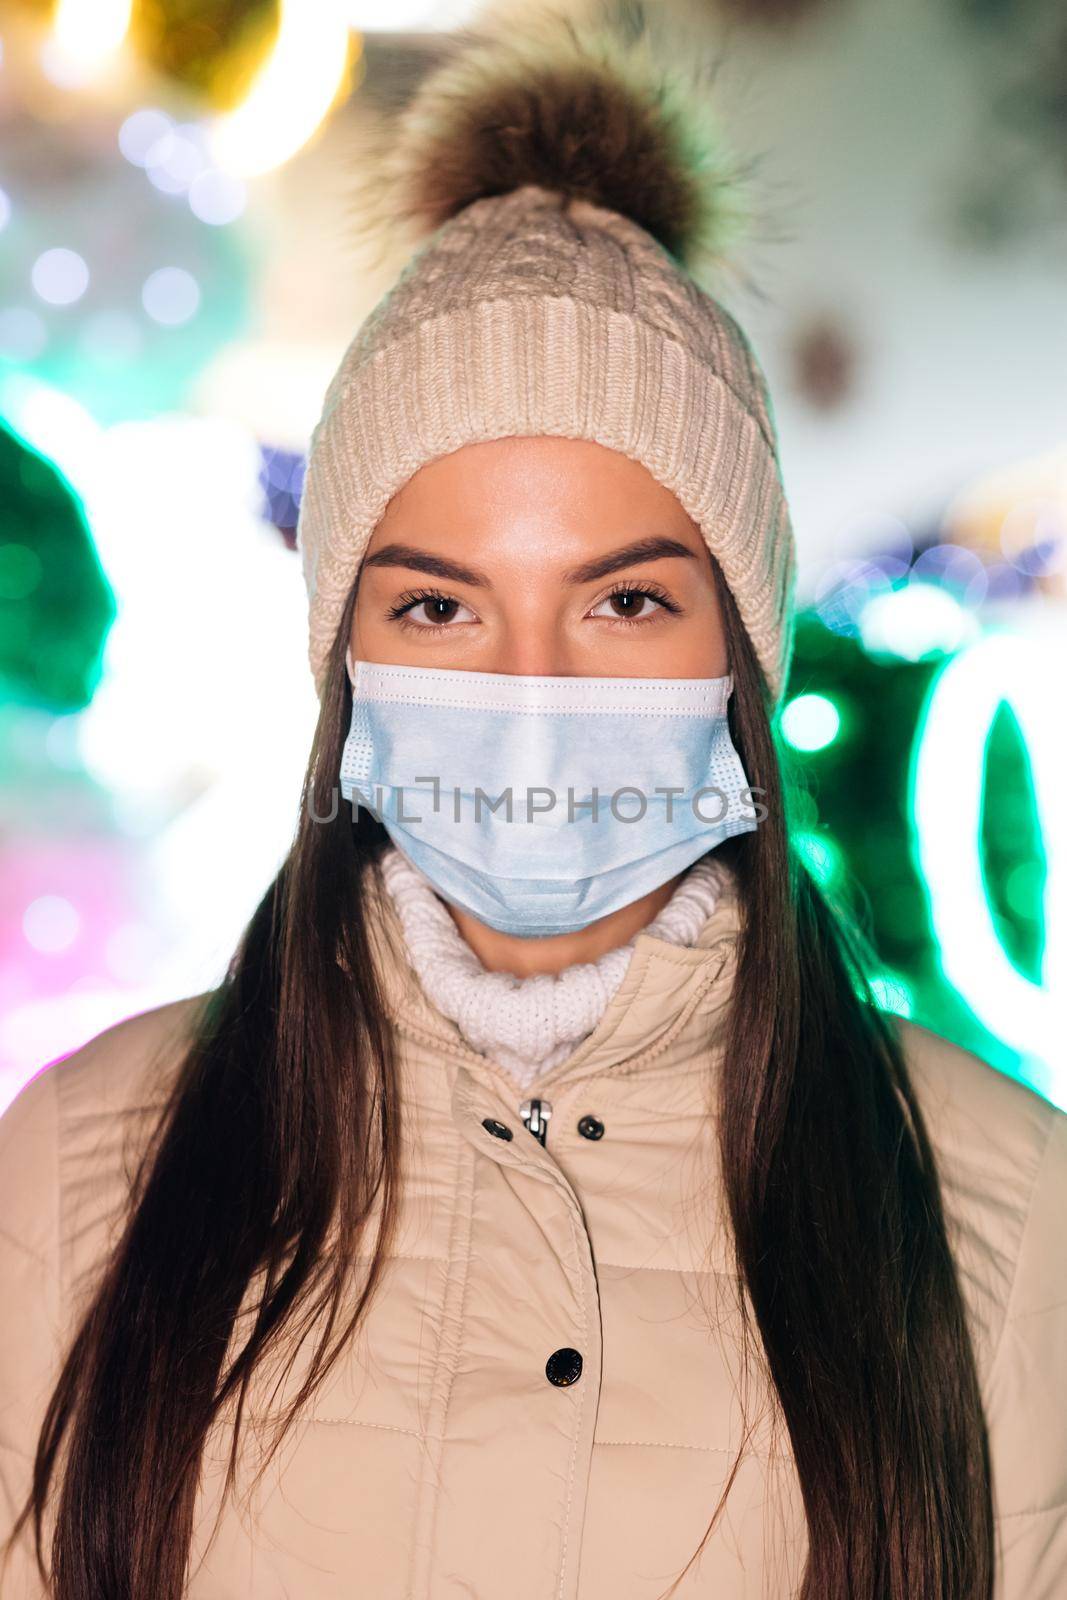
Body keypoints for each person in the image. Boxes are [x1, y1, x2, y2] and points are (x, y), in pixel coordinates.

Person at [2, 3, 1065, 1597]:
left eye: (626, 603)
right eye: (437, 607)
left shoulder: (1005, 1213)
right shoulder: (84, 1167)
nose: (532, 692)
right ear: (341, 659)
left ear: (743, 658)